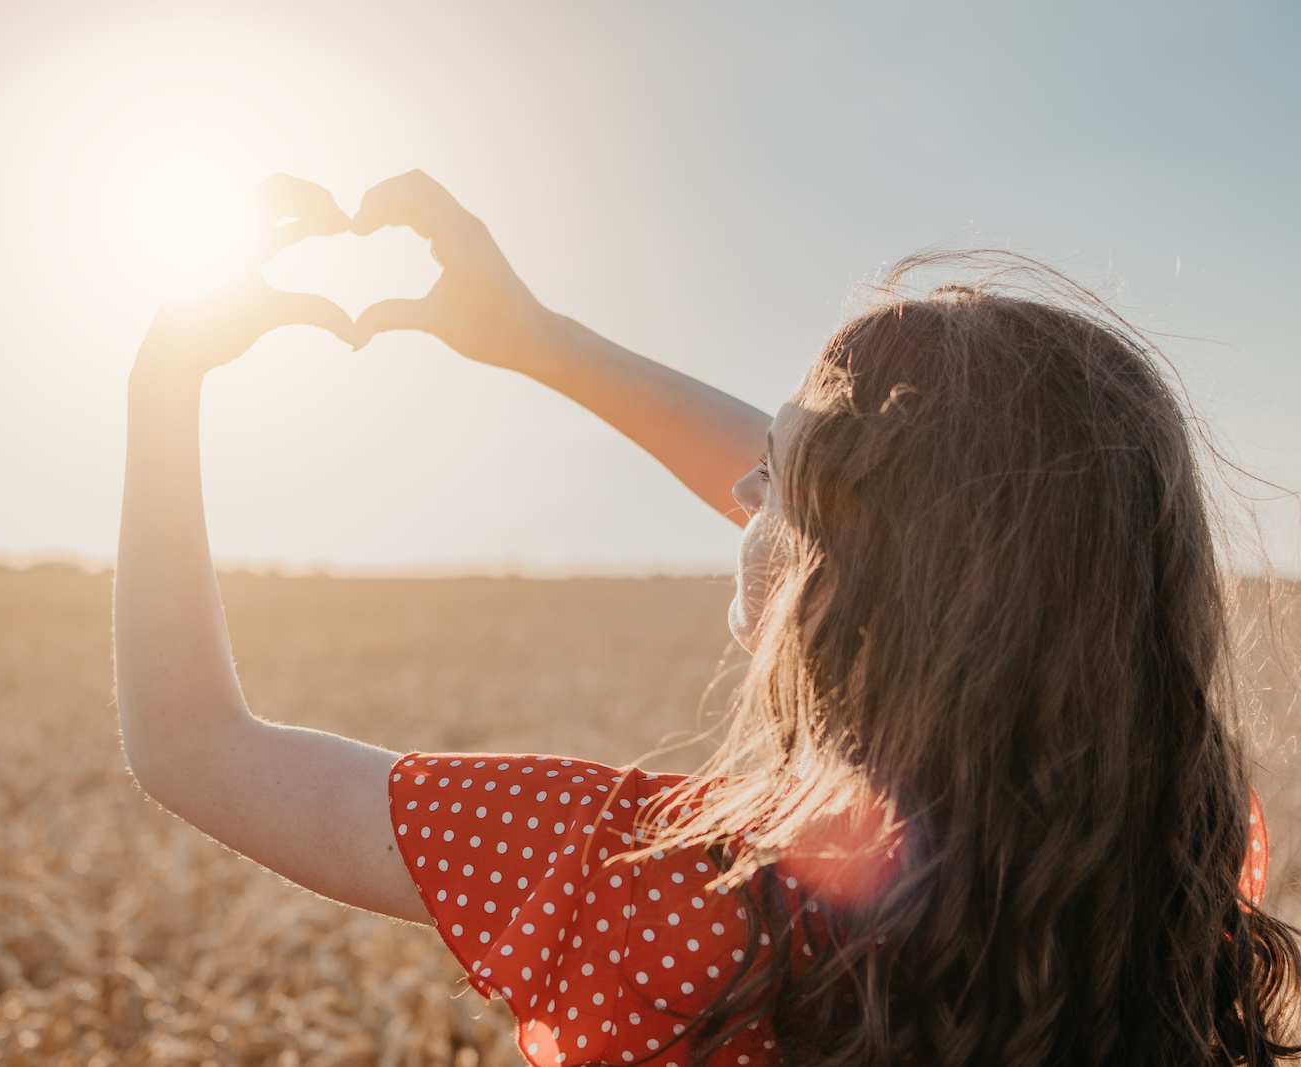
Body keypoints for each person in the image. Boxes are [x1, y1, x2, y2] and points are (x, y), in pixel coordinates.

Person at [113, 172, 1299, 1066]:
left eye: (774, 476)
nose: (740, 483)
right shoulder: (1186, 846)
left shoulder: (643, 880)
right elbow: (948, 534)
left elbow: (192, 743)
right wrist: (535, 339)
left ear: (844, 581)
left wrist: (164, 379)